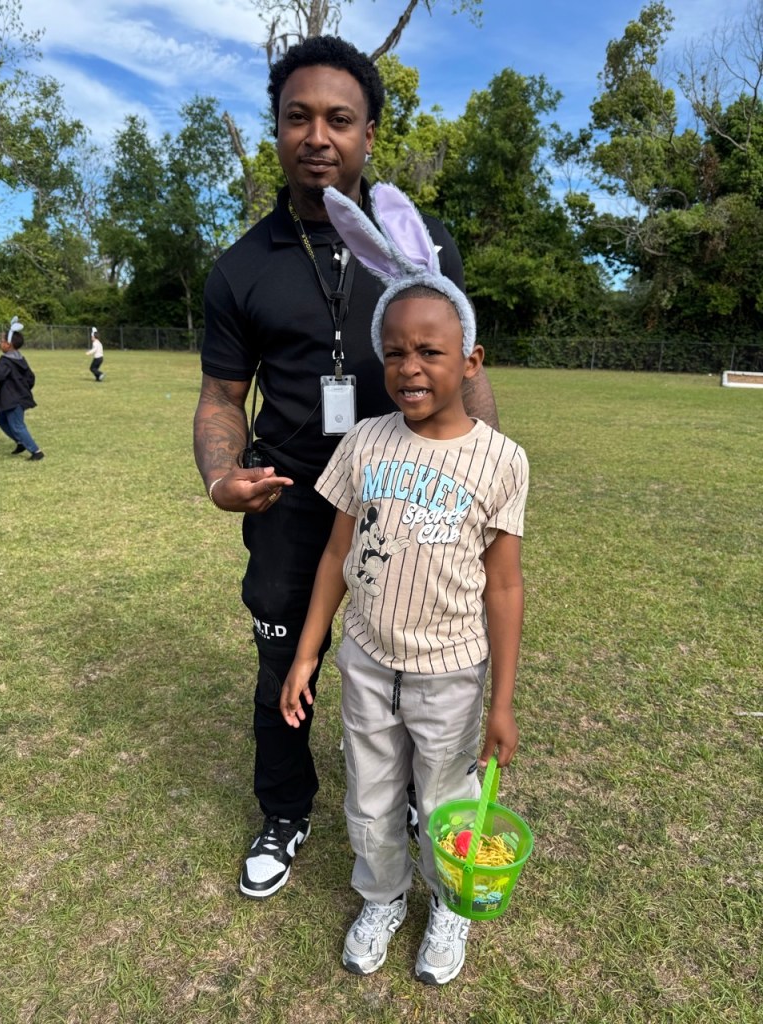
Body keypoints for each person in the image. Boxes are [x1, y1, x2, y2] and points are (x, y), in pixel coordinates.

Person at [193, 35, 499, 902]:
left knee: (414, 664)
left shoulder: (421, 246)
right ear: (277, 129)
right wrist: (223, 479)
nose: (317, 135)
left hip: (411, 495)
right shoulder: (242, 267)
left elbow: (469, 371)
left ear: (369, 134)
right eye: (298, 116)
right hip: (291, 497)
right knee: (283, 660)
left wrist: (484, 492)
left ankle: (408, 799)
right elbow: (221, 396)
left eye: (339, 118)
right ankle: (285, 809)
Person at [280, 182, 528, 985]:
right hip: (365, 661)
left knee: (447, 798)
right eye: (394, 351)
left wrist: (500, 700)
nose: (410, 367)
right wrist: (308, 655)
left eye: (430, 351)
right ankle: (382, 895)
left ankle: (448, 905)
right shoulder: (364, 442)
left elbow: (505, 588)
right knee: (371, 795)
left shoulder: (502, 460)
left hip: (450, 671)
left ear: (470, 360)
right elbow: (333, 558)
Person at [0, 317, 44, 461]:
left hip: (13, 399)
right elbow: (31, 378)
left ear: (8, 344)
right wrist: (23, 390)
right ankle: (20, 442)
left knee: (17, 425)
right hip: (18, 397)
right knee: (2, 419)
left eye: (1, 341)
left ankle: (36, 451)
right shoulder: (20, 359)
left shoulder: (6, 361)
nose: (0, 343)